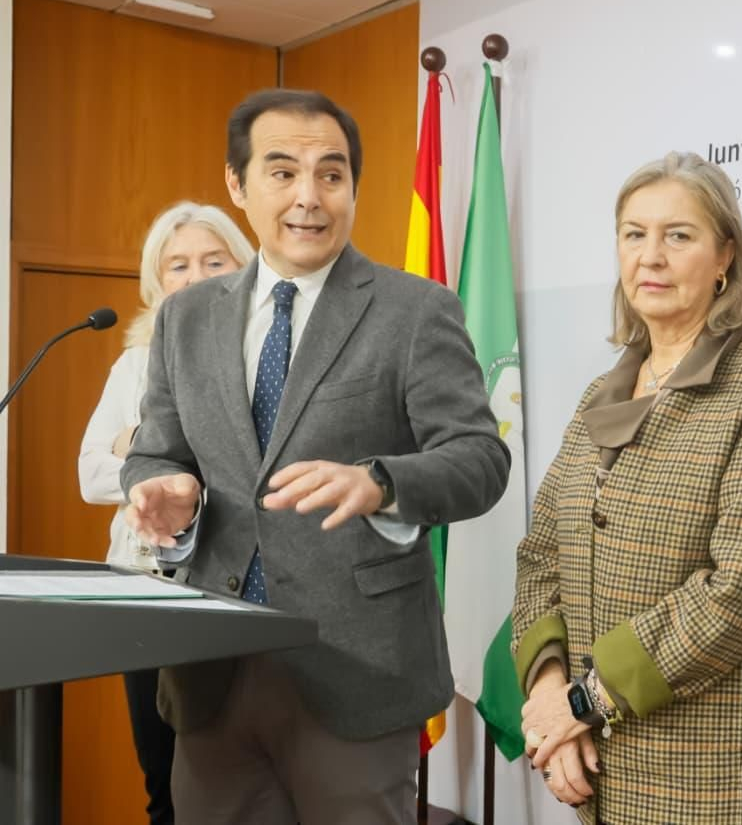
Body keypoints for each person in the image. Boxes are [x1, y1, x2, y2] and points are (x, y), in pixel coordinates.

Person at [121, 88, 511, 824]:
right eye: (282, 172)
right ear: (237, 186)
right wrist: (164, 491)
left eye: (331, 174)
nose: (309, 196)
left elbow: (479, 459)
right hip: (215, 676)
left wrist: (381, 481)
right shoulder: (185, 318)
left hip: (358, 672)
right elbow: (154, 452)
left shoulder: (414, 309)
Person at [511, 151, 742, 823]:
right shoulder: (605, 391)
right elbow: (542, 554)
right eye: (634, 233)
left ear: (725, 259)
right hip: (601, 759)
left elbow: (740, 589)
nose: (650, 256)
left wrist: (580, 703)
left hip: (706, 775)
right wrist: (547, 688)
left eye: (677, 235)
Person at [78, 201, 254, 825]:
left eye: (213, 260)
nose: (194, 276)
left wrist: (148, 451)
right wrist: (145, 453)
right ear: (157, 281)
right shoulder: (132, 364)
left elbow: (239, 474)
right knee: (162, 779)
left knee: (225, 777)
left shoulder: (265, 354)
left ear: (244, 265)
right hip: (140, 590)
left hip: (227, 589)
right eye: (177, 265)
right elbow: (91, 473)